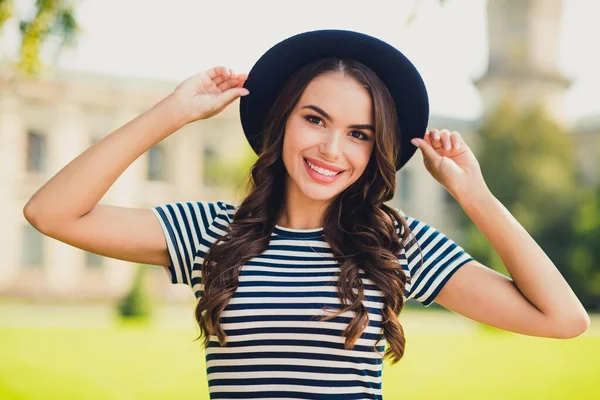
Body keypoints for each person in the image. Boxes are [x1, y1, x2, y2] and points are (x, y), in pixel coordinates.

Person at [23, 29, 589, 399]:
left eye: (358, 134)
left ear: (375, 151)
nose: (332, 150)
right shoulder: (211, 231)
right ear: (282, 121)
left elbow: (564, 319)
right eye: (314, 119)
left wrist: (476, 197)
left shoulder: (396, 243)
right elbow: (52, 213)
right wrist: (173, 112)